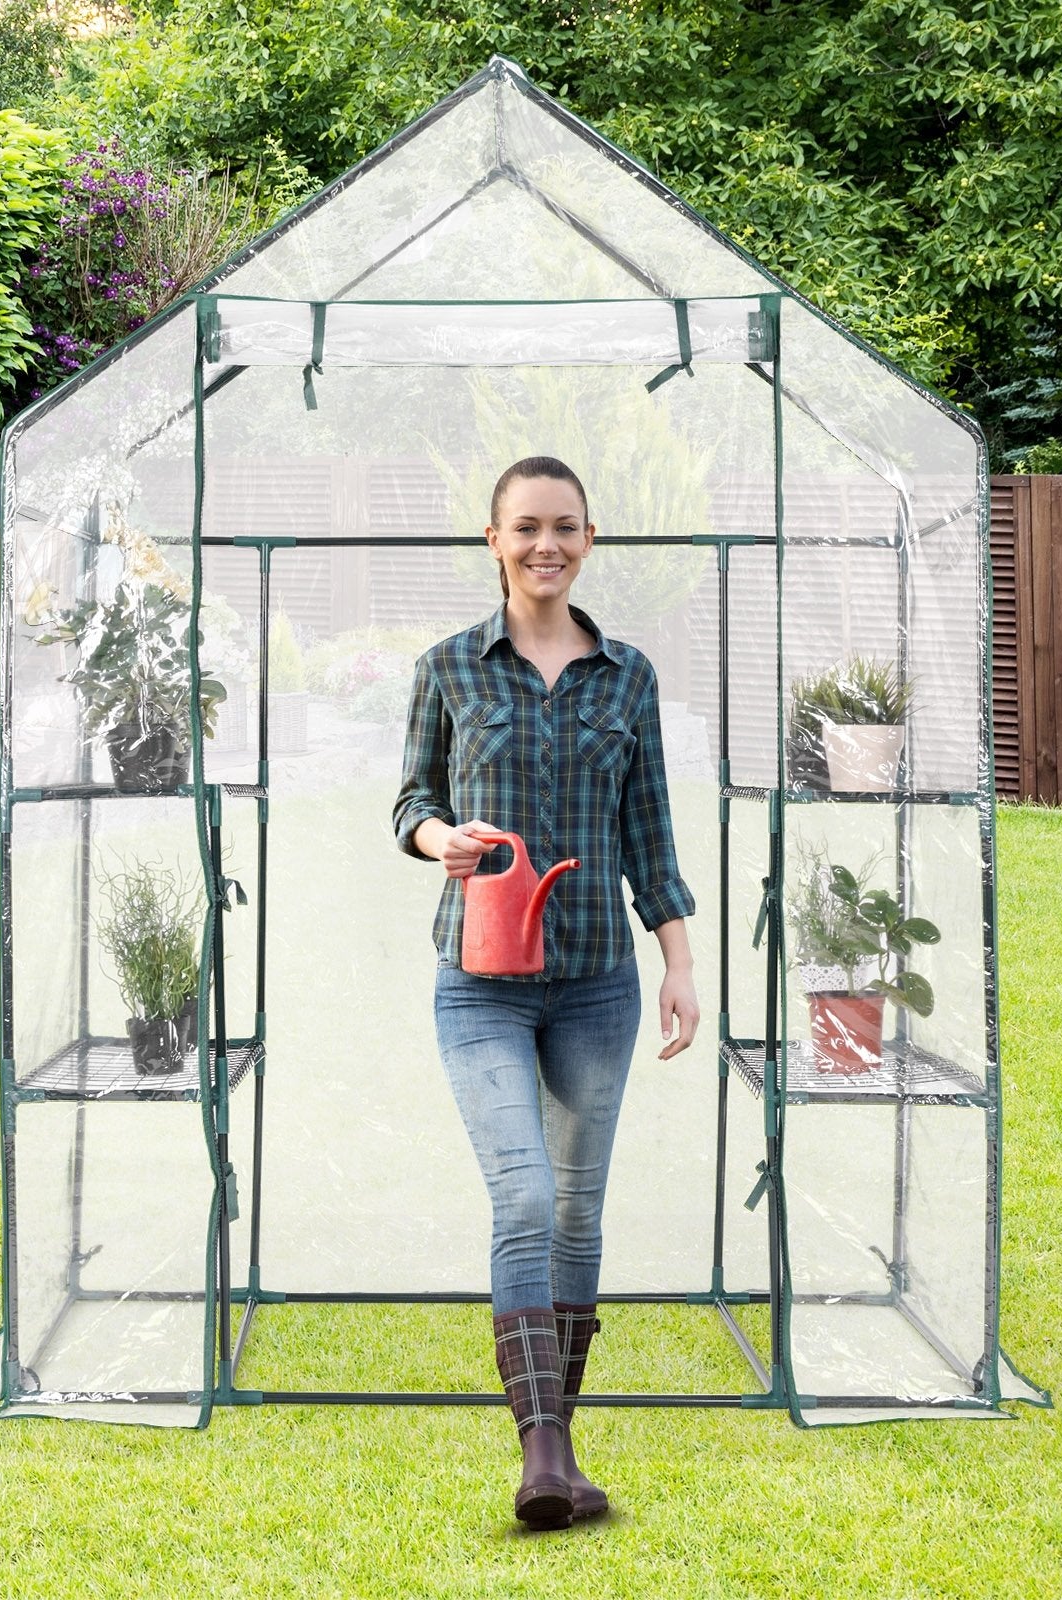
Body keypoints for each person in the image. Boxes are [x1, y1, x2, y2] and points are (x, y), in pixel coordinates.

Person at [392, 456, 699, 1530]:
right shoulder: (449, 669)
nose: (545, 545)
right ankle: (545, 1451)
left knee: (577, 1212)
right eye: (525, 527)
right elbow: (409, 804)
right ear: (493, 539)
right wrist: (444, 840)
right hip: (478, 984)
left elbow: (648, 831)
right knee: (523, 1196)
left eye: (564, 527)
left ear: (589, 537)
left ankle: (556, 1452)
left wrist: (678, 962)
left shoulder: (628, 676)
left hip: (595, 987)